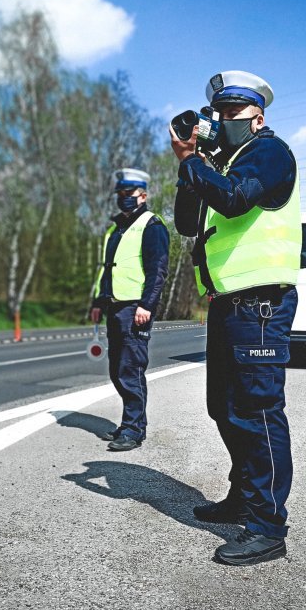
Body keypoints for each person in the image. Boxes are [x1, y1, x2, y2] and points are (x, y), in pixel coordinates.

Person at [170, 70, 301, 565]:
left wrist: (194, 164)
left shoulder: (270, 153)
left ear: (257, 117)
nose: (222, 121)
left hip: (261, 303)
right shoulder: (220, 165)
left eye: (232, 114)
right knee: (223, 407)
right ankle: (244, 496)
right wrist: (193, 165)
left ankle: (268, 527)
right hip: (228, 302)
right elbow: (188, 221)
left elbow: (233, 198)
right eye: (217, 114)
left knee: (258, 411)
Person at [90, 168, 169, 452]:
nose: (123, 198)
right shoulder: (115, 230)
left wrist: (147, 305)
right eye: (120, 194)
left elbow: (157, 270)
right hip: (114, 306)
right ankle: (127, 423)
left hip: (135, 308)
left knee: (131, 369)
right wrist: (99, 301)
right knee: (117, 370)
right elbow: (107, 271)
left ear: (143, 195)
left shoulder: (152, 225)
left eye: (129, 194)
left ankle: (135, 430)